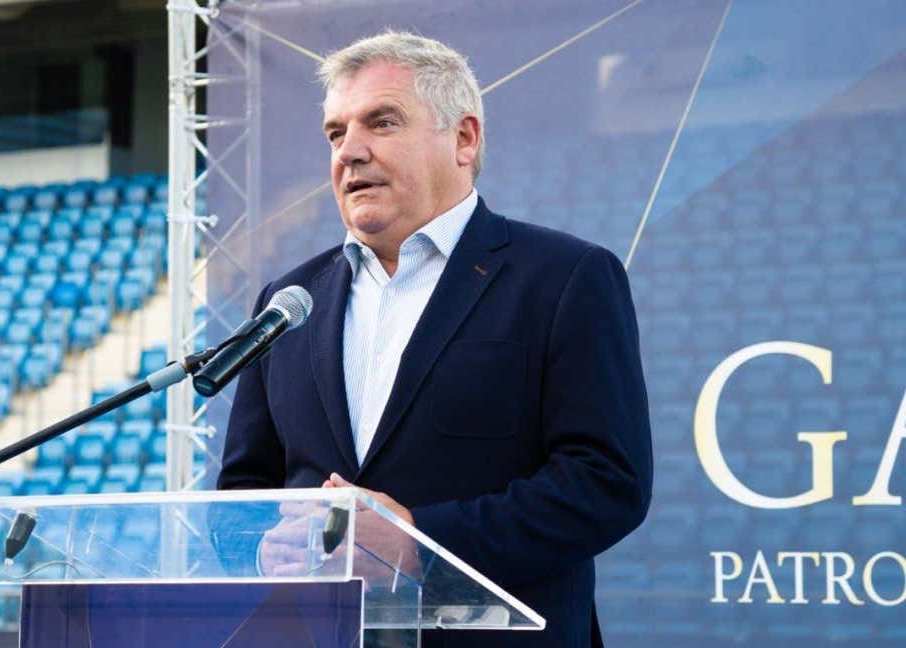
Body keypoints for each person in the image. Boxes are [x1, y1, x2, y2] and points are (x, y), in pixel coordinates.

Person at [216, 30, 652, 648]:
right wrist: (267, 547)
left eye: (382, 123)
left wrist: (420, 542)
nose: (350, 152)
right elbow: (240, 496)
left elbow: (607, 482)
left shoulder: (564, 277)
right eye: (336, 133)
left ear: (464, 139)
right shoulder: (290, 302)